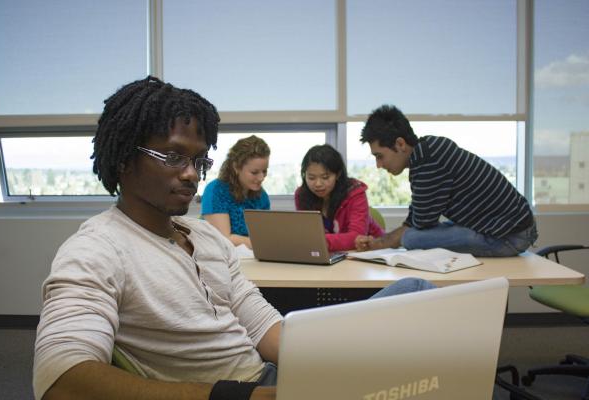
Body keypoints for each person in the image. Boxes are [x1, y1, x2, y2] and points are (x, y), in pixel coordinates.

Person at [33, 77, 436, 400]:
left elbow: (263, 327)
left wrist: (330, 362)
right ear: (123, 158)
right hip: (234, 391)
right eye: (174, 156)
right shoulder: (96, 249)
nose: (191, 173)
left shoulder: (206, 238)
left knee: (415, 290)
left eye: (198, 160)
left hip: (276, 376)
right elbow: (61, 379)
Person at [355, 105, 537, 257]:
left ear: (400, 144)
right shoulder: (426, 153)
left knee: (411, 239)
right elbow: (416, 219)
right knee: (413, 235)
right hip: (505, 228)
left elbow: (419, 225)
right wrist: (381, 242)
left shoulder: (429, 161)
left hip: (507, 236)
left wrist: (379, 244)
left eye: (380, 156)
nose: (378, 165)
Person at [295, 144, 384, 252]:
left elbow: (357, 236)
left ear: (338, 174)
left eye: (325, 177)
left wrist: (320, 241)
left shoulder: (355, 192)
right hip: (332, 254)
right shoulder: (302, 195)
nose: (318, 184)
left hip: (372, 253)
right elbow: (308, 233)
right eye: (311, 178)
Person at [201, 135, 270, 249]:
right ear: (236, 167)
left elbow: (262, 235)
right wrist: (262, 244)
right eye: (254, 172)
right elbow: (224, 239)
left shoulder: (262, 196)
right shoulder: (216, 190)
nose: (261, 177)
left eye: (264, 171)